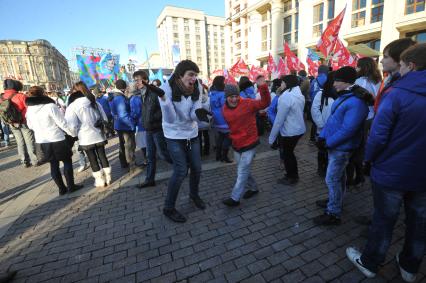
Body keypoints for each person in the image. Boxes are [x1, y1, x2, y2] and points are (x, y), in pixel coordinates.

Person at [346, 43, 426, 283]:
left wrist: (368, 159)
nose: (398, 69)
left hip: (392, 171)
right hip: (422, 175)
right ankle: (410, 267)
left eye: (401, 64)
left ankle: (370, 262)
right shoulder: (396, 89)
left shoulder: (398, 93)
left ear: (411, 65)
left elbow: (378, 136)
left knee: (384, 219)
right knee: (419, 222)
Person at [313, 66, 372, 226]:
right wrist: (322, 137)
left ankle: (333, 213)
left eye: (336, 81)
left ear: (346, 82)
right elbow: (334, 120)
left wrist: (328, 142)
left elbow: (348, 129)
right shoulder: (347, 96)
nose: (333, 84)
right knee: (339, 178)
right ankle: (335, 201)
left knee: (332, 179)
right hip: (336, 145)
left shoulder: (356, 101)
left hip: (342, 147)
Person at [158, 60, 209, 223]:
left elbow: (194, 111)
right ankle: (169, 207)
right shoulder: (167, 88)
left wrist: (200, 114)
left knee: (197, 168)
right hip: (173, 135)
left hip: (192, 134)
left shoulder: (197, 87)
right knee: (181, 171)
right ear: (181, 75)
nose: (194, 78)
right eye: (191, 75)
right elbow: (171, 119)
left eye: (195, 75)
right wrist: (165, 101)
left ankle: (194, 195)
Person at [222, 76, 271, 206]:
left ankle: (235, 198)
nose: (234, 99)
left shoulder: (248, 103)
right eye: (230, 96)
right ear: (226, 97)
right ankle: (254, 188)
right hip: (237, 144)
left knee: (242, 171)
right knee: (243, 169)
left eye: (236, 96)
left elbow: (265, 103)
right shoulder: (224, 109)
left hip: (250, 142)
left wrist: (263, 87)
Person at [26, 86, 83, 195]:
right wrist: (72, 133)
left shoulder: (30, 109)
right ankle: (71, 186)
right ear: (43, 94)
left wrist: (40, 130)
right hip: (57, 138)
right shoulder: (50, 106)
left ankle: (61, 189)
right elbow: (62, 123)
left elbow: (30, 126)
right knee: (66, 161)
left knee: (53, 164)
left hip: (42, 140)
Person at [346, 57, 383, 187]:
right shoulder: (379, 81)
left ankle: (356, 177)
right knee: (364, 145)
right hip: (374, 116)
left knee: (357, 147)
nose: (356, 68)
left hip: (361, 117)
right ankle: (363, 173)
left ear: (363, 67)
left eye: (358, 66)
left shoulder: (359, 82)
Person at [65, 82, 111, 187]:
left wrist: (74, 134)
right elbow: (105, 118)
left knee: (92, 159)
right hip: (98, 134)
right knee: (102, 156)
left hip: (85, 136)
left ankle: (100, 181)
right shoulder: (94, 101)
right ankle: (108, 178)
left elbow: (71, 126)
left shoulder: (72, 106)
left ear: (74, 91)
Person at [132, 70, 171, 189]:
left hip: (157, 128)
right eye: (135, 80)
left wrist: (153, 119)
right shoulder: (141, 94)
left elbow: (165, 109)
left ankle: (182, 167)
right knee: (150, 156)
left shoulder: (154, 93)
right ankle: (150, 180)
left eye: (138, 80)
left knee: (163, 154)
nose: (136, 83)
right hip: (148, 129)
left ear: (146, 80)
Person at [269, 75, 306, 185]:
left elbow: (279, 120)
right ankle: (293, 174)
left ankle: (291, 177)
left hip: (290, 131)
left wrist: (272, 138)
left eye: (282, 82)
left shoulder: (286, 97)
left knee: (287, 154)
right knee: (290, 153)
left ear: (287, 84)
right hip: (298, 129)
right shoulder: (299, 95)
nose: (281, 85)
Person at [1, 79, 38, 167]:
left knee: (19, 142)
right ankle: (34, 161)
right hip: (23, 121)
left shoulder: (2, 97)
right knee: (29, 141)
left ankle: (24, 161)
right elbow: (28, 108)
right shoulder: (21, 96)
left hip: (11, 122)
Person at [374, 38, 417, 113]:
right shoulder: (392, 80)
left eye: (385, 57)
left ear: (399, 59)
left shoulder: (403, 87)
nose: (381, 61)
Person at [311, 72, 336, 177]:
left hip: (335, 130)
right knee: (322, 150)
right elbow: (314, 109)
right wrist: (321, 124)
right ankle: (321, 168)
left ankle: (330, 169)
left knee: (332, 151)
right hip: (322, 129)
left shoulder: (341, 94)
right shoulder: (321, 94)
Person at [110, 79, 136, 170]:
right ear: (123, 88)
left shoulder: (114, 96)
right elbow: (123, 115)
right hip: (125, 125)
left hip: (119, 125)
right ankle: (132, 164)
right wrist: (131, 124)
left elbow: (113, 113)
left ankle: (124, 163)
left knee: (122, 145)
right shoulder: (120, 98)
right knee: (129, 145)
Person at [209, 76, 232, 163]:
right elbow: (225, 106)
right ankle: (224, 157)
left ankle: (218, 155)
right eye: (224, 81)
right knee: (228, 137)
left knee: (221, 137)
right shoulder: (222, 94)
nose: (225, 83)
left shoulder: (212, 93)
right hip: (223, 118)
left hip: (216, 118)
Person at [308, 65, 329, 143]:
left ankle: (312, 138)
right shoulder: (327, 79)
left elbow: (310, 92)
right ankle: (322, 136)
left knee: (314, 120)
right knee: (323, 118)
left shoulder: (314, 80)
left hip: (314, 102)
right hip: (324, 102)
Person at [129, 82, 147, 167]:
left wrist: (131, 120)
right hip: (147, 121)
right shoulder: (143, 95)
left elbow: (135, 113)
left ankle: (147, 159)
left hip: (140, 123)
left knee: (143, 143)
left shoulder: (134, 99)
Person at [198, 80, 211, 156]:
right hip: (206, 120)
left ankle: (199, 151)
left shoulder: (195, 99)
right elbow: (210, 109)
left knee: (198, 137)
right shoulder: (208, 98)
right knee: (206, 136)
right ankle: (207, 151)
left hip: (198, 121)